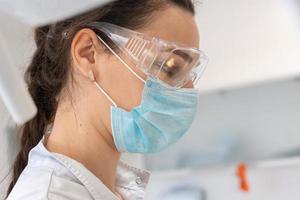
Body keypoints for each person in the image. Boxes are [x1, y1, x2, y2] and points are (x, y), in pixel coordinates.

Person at [6, 0, 207, 199]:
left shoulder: (114, 189)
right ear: (88, 53)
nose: (189, 89)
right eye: (169, 67)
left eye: (189, 74)